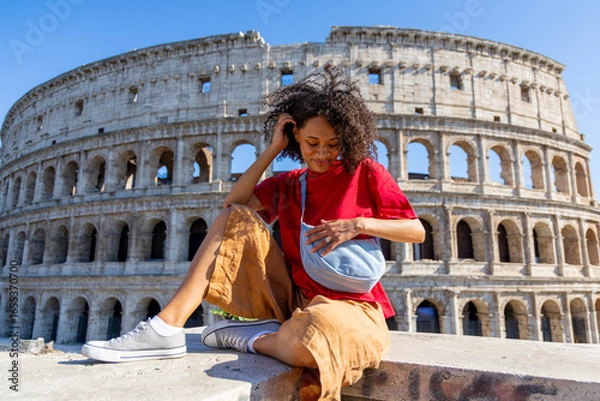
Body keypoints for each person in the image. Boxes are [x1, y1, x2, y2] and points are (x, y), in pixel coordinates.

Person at [82, 66, 425, 400]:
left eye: (333, 144)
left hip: (352, 304)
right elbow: (234, 204)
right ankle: (165, 328)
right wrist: (272, 149)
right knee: (235, 218)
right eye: (311, 142)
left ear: (347, 140)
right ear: (297, 140)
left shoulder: (365, 172)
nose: (322, 153)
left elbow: (416, 231)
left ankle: (248, 338)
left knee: (313, 341)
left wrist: (358, 225)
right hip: (292, 298)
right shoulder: (290, 184)